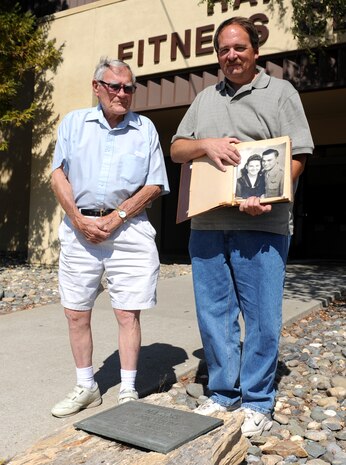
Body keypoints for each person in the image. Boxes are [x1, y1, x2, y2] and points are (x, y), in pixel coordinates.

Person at [170, 17, 313, 437]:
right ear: (217, 56)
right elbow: (178, 148)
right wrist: (205, 144)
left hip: (262, 224)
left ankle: (257, 400)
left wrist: (268, 195)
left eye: (239, 47)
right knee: (214, 313)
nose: (231, 55)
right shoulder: (204, 99)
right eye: (224, 50)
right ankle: (222, 393)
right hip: (208, 224)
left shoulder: (281, 93)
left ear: (255, 51)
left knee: (262, 316)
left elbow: (299, 154)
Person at [50, 57, 169, 418]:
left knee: (127, 312)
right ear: (96, 87)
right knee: (75, 311)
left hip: (129, 229)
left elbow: (155, 184)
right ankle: (87, 386)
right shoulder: (73, 123)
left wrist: (118, 216)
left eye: (128, 88)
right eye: (114, 86)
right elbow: (58, 175)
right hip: (79, 228)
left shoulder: (145, 128)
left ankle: (128, 390)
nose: (122, 93)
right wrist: (77, 218)